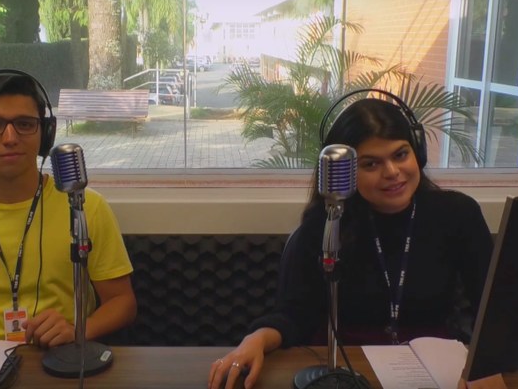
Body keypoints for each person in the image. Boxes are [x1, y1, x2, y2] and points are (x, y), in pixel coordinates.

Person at [208, 95, 493, 389]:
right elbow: (294, 313)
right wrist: (254, 339)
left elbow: (493, 305)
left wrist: (487, 366)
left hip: (437, 372)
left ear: (417, 153)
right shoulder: (326, 225)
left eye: (400, 155)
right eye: (371, 164)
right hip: (348, 373)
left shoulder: (458, 214)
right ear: (345, 171)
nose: (393, 172)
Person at [0, 70, 136, 348]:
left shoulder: (84, 207)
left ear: (46, 133)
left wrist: (77, 330)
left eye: (25, 124)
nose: (10, 138)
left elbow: (122, 302)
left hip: (59, 359)